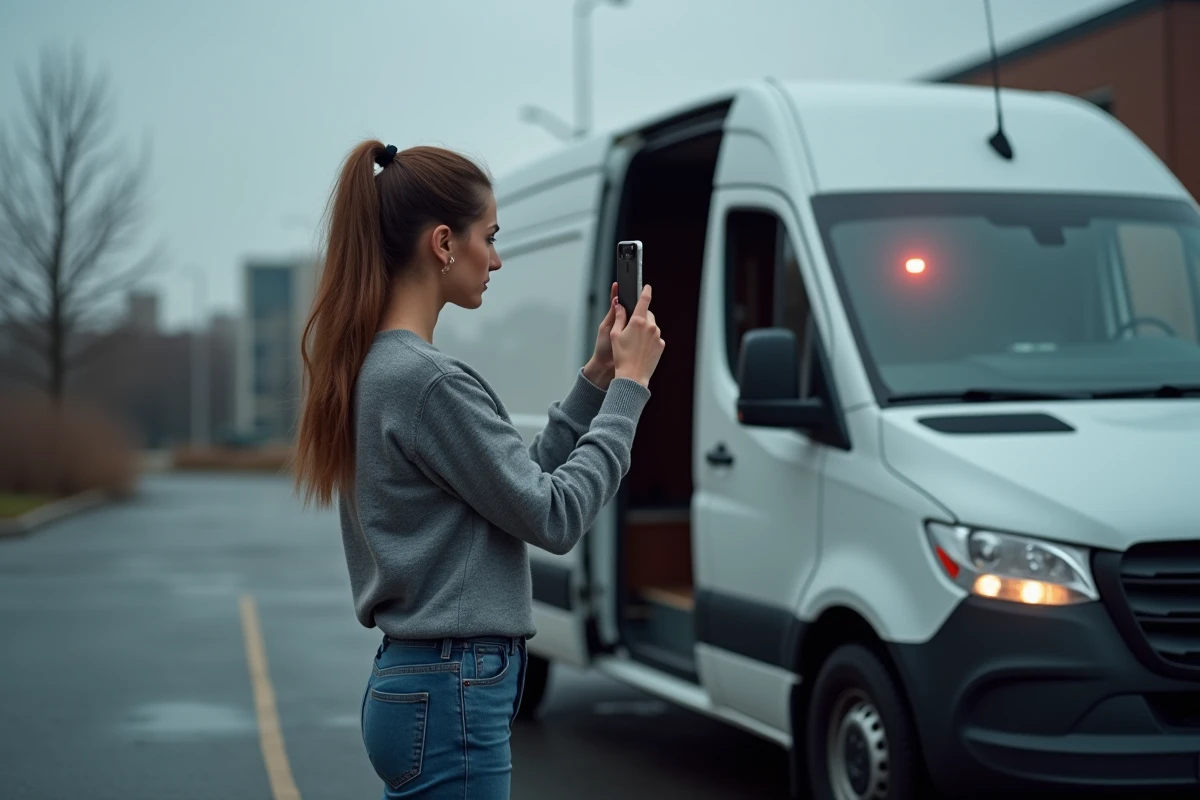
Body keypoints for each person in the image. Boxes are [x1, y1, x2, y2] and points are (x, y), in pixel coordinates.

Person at [293, 140, 665, 799]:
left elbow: (515, 490)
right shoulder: (425, 382)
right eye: (488, 237)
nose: (495, 259)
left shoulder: (381, 370)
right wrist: (631, 388)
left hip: (421, 685)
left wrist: (598, 378)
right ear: (442, 243)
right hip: (450, 688)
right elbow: (554, 516)